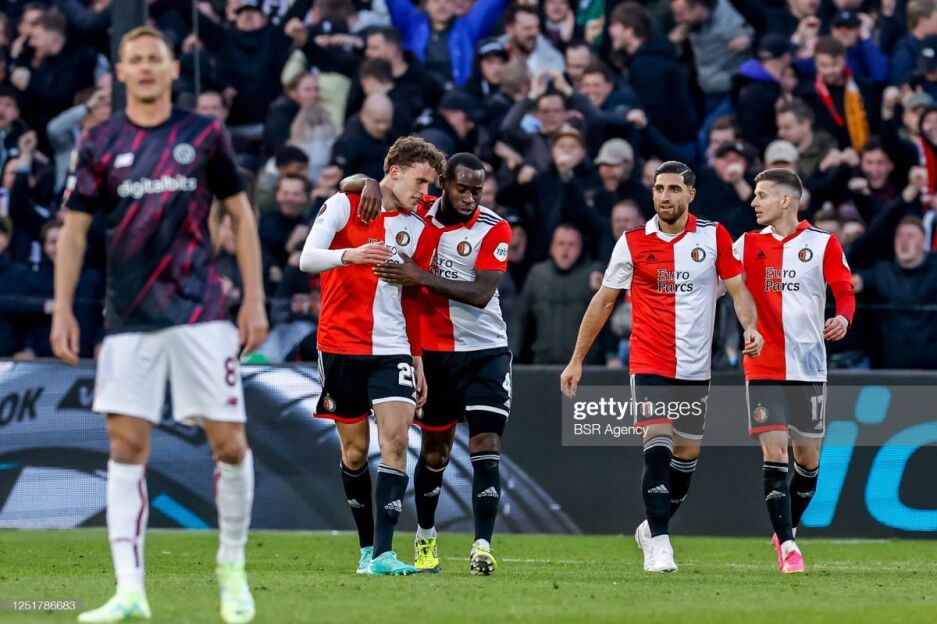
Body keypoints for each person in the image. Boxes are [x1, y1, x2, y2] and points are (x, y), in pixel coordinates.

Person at [51, 26, 268, 624]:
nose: (146, 67)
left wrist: (253, 299)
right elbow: (74, 230)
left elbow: (241, 216)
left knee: (230, 442)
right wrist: (63, 307)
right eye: (135, 60)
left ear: (173, 69)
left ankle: (231, 568)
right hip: (127, 318)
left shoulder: (204, 133)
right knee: (126, 446)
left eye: (155, 58)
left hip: (201, 312)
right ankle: (130, 591)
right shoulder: (99, 140)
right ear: (120, 73)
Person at [560, 160, 764, 573]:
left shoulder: (714, 236)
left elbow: (738, 290)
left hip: (695, 367)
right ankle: (661, 544)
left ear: (691, 194)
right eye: (658, 189)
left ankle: (650, 529)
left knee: (685, 459)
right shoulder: (632, 242)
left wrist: (751, 328)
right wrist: (576, 359)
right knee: (657, 444)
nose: (664, 197)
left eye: (673, 189)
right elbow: (603, 302)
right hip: (649, 359)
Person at [298, 135, 445, 576]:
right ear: (394, 172)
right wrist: (352, 254)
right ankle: (366, 550)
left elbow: (413, 298)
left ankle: (383, 554)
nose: (425, 192)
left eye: (430, 185)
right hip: (340, 345)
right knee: (355, 453)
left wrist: (417, 358)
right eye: (420, 181)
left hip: (392, 347)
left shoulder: (420, 222)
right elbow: (307, 259)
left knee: (395, 442)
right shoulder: (346, 204)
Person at [367, 153, 512, 575]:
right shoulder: (419, 212)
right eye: (462, 188)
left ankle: (482, 545)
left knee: (486, 443)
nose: (469, 198)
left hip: (486, 350)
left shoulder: (494, 227)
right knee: (435, 452)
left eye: (477, 191)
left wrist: (420, 276)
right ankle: (426, 534)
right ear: (444, 182)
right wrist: (367, 183)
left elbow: (481, 293)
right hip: (433, 354)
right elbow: (372, 188)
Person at [735, 168, 855, 574]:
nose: (754, 202)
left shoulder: (822, 243)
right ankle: (788, 546)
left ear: (786, 200)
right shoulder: (746, 245)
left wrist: (843, 318)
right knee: (774, 452)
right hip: (763, 364)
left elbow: (844, 291)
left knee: (808, 461)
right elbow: (717, 284)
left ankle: (786, 528)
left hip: (808, 366)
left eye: (762, 195)